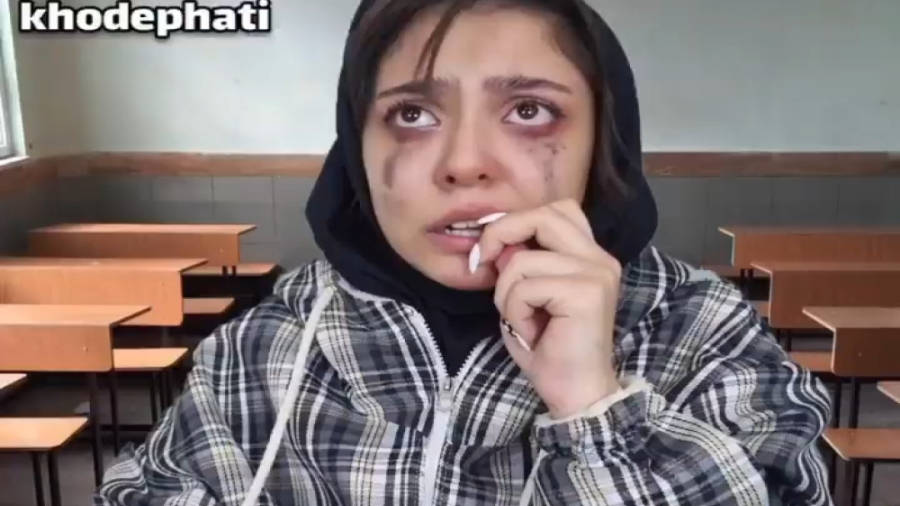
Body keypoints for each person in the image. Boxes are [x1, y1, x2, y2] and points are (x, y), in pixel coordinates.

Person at [94, 0, 834, 504]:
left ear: (600, 142)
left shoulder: (703, 334)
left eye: (529, 110)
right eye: (413, 114)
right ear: (357, 146)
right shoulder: (261, 352)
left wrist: (593, 404)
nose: (465, 164)